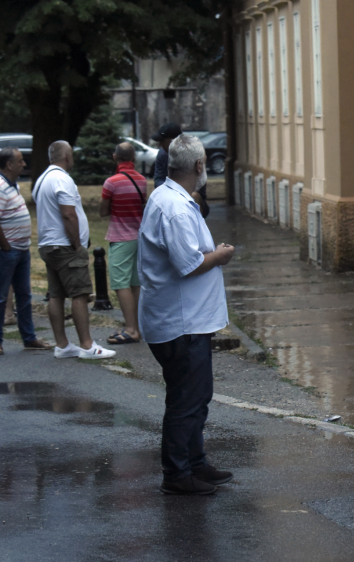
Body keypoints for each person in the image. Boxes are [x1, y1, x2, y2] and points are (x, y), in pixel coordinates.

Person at [138, 134, 236, 495]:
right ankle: (177, 473)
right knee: (185, 400)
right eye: (204, 162)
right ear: (198, 165)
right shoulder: (175, 207)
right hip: (181, 323)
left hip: (188, 320)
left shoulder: (172, 199)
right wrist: (221, 255)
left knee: (197, 396)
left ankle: (195, 462)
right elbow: (188, 264)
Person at [34, 141, 115, 359]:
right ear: (67, 156)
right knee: (80, 293)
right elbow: (68, 214)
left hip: (47, 244)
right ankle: (87, 345)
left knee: (56, 294)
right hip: (65, 245)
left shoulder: (41, 179)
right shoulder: (62, 179)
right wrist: (77, 244)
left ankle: (62, 344)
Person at [0, 148, 51, 355]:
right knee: (1, 296)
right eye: (20, 161)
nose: (24, 164)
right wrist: (5, 246)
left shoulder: (12, 186)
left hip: (20, 250)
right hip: (6, 251)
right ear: (9, 165)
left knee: (24, 295)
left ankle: (28, 338)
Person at [99, 142, 147, 345]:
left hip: (120, 237)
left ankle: (130, 329)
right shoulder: (142, 180)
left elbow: (103, 211)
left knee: (120, 283)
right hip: (139, 237)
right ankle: (136, 326)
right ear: (133, 159)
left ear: (114, 157)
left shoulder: (111, 182)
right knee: (135, 283)